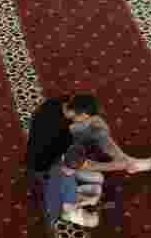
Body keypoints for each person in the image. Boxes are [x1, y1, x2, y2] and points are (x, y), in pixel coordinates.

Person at [27, 94, 103, 227]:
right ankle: (69, 212)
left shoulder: (60, 102)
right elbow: (69, 201)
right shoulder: (59, 142)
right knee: (93, 220)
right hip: (45, 168)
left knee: (98, 179)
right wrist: (86, 201)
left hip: (51, 159)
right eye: (86, 119)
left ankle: (79, 191)